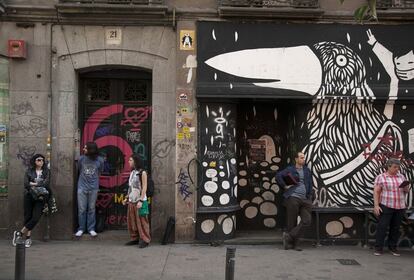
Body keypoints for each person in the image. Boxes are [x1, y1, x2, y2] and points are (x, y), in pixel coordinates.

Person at [276, 151, 313, 251]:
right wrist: (285, 185)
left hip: (305, 199)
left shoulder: (307, 171)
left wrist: (309, 196)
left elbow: (310, 183)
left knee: (307, 220)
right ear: (296, 159)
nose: (303, 159)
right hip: (293, 197)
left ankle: (289, 236)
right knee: (291, 222)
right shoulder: (290, 169)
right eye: (301, 158)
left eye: (304, 158)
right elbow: (278, 176)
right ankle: (294, 244)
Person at [373, 158, 410, 256]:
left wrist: (406, 187)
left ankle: (392, 248)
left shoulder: (401, 177)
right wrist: (376, 206)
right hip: (386, 205)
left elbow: (406, 191)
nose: (397, 169)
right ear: (388, 167)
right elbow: (376, 192)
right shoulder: (381, 177)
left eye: (398, 167)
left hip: (400, 206)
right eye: (394, 167)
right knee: (382, 227)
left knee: (395, 228)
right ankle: (378, 248)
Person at [12, 154, 51, 248]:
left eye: (42, 160)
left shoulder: (46, 171)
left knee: (36, 217)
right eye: (38, 160)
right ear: (34, 161)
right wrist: (35, 183)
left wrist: (33, 183)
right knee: (28, 217)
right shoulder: (29, 171)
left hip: (41, 197)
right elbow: (26, 184)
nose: (41, 162)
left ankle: (19, 233)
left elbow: (45, 184)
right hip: (29, 196)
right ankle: (28, 237)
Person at [75, 142, 104, 237]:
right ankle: (81, 228)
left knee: (91, 209)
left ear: (91, 150)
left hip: (94, 188)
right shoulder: (81, 159)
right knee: (82, 209)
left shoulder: (100, 160)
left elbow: (100, 171)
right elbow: (79, 169)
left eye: (86, 148)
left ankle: (91, 228)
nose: (84, 149)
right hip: (81, 187)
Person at [122, 154, 151, 248]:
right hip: (131, 201)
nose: (128, 162)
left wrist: (141, 201)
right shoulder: (132, 173)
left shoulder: (142, 173)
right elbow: (130, 187)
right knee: (132, 221)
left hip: (140, 201)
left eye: (130, 160)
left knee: (142, 222)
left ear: (135, 161)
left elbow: (144, 187)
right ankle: (135, 238)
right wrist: (126, 198)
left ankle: (145, 240)